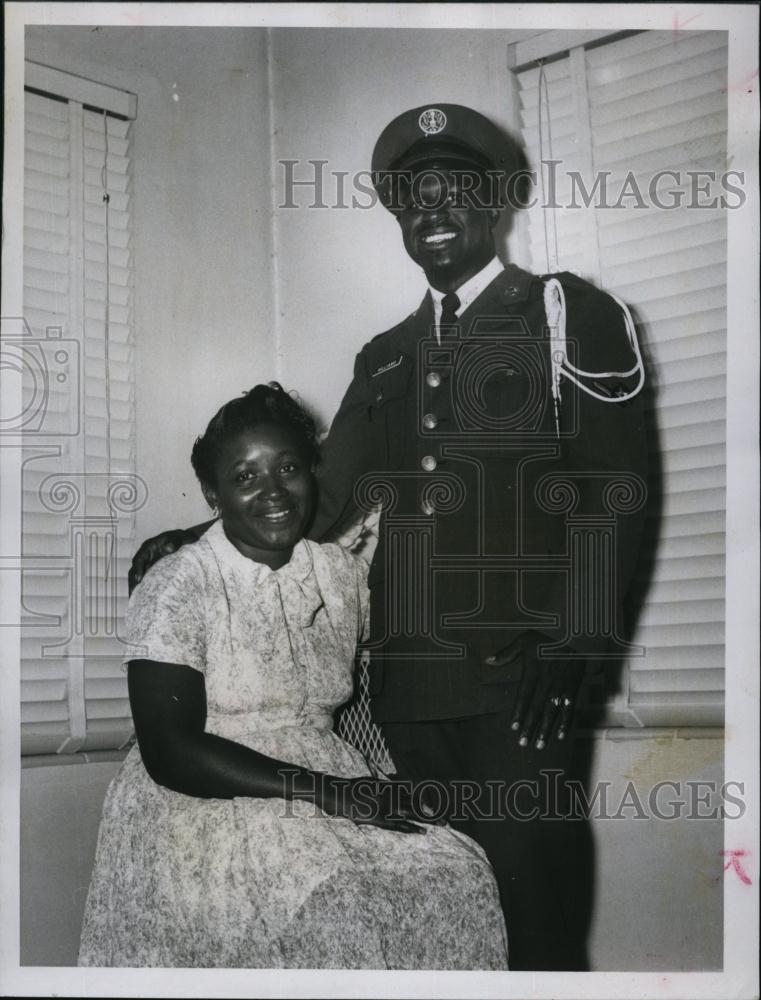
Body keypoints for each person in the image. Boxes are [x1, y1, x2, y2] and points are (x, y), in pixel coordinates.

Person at [130, 104, 648, 970]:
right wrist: (196, 533)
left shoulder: (563, 314)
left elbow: (617, 490)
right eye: (412, 198)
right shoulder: (385, 355)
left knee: (532, 906)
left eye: (451, 190)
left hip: (524, 675)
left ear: (493, 203)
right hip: (410, 683)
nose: (431, 211)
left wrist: (577, 638)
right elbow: (323, 497)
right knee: (450, 911)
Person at [80, 383, 509, 969]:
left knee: (460, 873)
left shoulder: (338, 575)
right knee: (333, 906)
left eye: (288, 468)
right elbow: (170, 750)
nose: (274, 492)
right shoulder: (180, 582)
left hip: (328, 783)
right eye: (245, 476)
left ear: (313, 472)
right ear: (212, 493)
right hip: (208, 799)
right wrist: (334, 794)